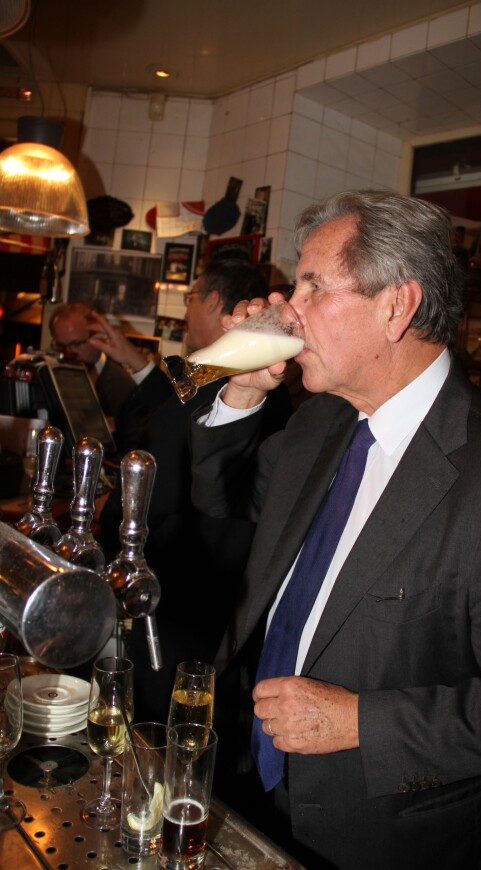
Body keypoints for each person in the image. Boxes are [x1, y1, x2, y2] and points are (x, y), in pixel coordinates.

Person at [187, 190, 481, 870]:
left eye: (313, 285)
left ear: (396, 306)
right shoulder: (318, 421)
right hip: (247, 793)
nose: (288, 308)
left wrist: (359, 723)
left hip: (389, 836)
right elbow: (223, 510)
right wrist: (238, 389)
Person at [91, 258, 295, 720]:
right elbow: (173, 399)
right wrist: (132, 359)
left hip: (189, 584)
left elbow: (170, 456)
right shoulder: (211, 371)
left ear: (218, 303)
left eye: (191, 297)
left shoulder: (251, 382)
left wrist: (114, 516)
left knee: (160, 712)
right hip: (188, 584)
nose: (185, 310)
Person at [48, 302, 136, 421]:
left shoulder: (124, 387)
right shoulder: (50, 376)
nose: (69, 353)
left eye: (76, 344)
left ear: (97, 335)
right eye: (61, 346)